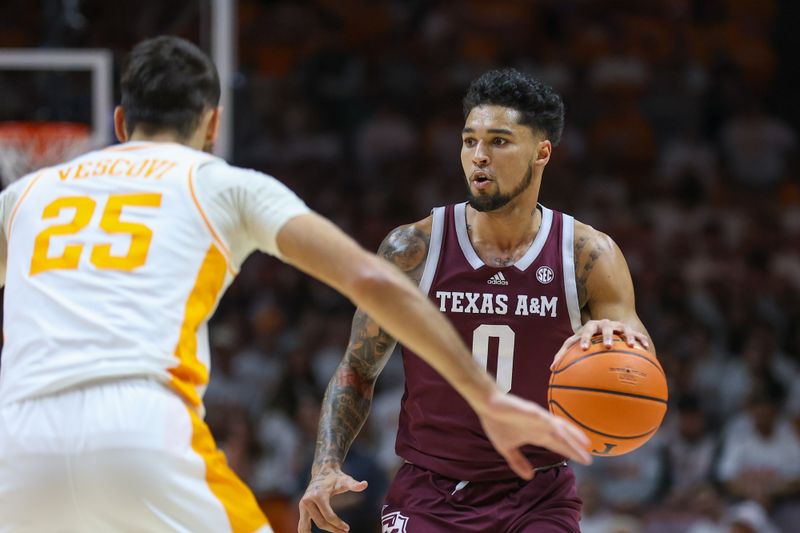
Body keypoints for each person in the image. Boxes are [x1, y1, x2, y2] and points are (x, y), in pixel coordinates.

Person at [0, 39, 592, 533]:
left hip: (15, 442)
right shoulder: (224, 183)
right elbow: (368, 277)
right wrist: (486, 398)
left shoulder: (27, 193)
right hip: (140, 427)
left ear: (120, 122)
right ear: (213, 123)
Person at [299, 68, 653, 533]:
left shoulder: (588, 254)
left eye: (500, 142)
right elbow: (357, 369)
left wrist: (614, 342)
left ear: (542, 152)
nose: (479, 157)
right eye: (469, 141)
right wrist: (325, 465)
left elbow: (638, 359)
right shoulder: (414, 249)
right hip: (429, 492)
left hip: (536, 494)